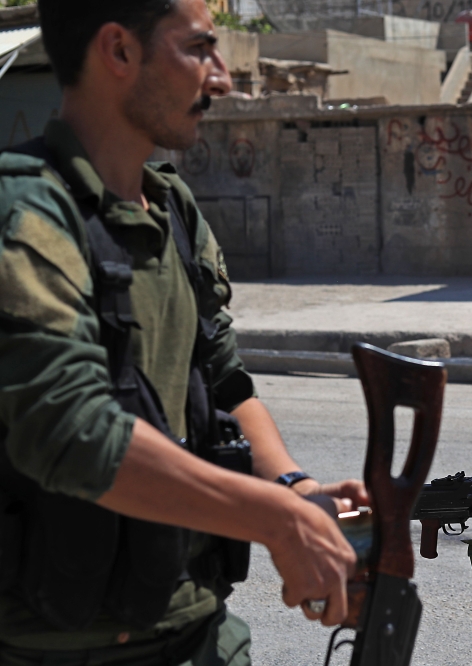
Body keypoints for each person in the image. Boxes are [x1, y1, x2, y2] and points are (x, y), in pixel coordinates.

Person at [0, 1, 365, 664]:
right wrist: (274, 519)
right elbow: (71, 429)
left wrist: (295, 490)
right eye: (198, 48)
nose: (220, 77)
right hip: (63, 647)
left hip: (198, 628)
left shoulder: (173, 209)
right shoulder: (28, 216)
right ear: (119, 51)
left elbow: (225, 383)